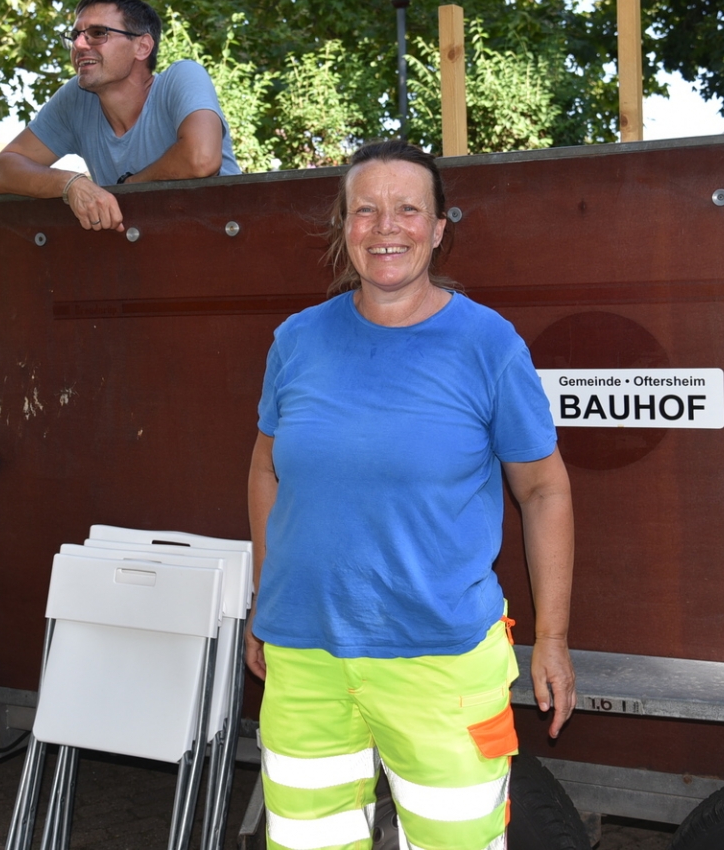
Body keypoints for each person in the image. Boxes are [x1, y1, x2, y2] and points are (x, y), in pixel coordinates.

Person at [245, 139, 576, 850]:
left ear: (436, 227)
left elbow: (544, 488)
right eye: (364, 210)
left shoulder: (487, 344)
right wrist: (262, 600)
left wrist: (551, 639)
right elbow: (266, 470)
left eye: (406, 210)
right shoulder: (296, 341)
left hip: (440, 659)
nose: (384, 227)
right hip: (304, 657)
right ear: (342, 227)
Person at [0, 0, 242, 232]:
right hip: (143, 260)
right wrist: (71, 184)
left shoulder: (182, 76)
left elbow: (201, 159)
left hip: (225, 247)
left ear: (142, 47)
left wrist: (128, 187)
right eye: (75, 35)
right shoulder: (76, 99)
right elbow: (0, 172)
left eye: (98, 33)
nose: (79, 44)